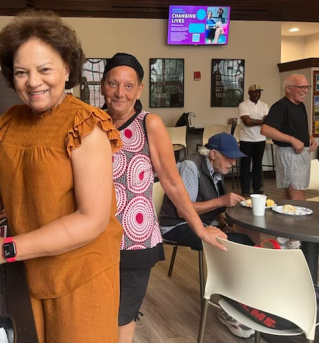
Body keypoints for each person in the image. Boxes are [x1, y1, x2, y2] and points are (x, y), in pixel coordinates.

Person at [0, 10, 124, 343]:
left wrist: (4, 249)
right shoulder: (13, 121)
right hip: (28, 267)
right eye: (22, 72)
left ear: (67, 68)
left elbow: (91, 219)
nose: (33, 82)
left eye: (45, 69)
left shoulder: (85, 124)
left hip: (80, 276)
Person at [101, 53, 227, 343]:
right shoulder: (91, 123)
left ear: (140, 89)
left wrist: (199, 228)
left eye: (129, 85)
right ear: (103, 85)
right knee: (97, 311)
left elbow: (172, 182)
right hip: (94, 237)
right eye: (113, 83)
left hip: (134, 238)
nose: (120, 93)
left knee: (123, 315)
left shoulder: (150, 124)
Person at [159, 132, 257, 339]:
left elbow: (209, 203)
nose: (233, 162)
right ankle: (230, 310)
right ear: (213, 154)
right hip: (175, 225)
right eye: (229, 157)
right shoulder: (190, 166)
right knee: (237, 245)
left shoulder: (215, 168)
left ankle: (246, 300)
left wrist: (222, 223)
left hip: (203, 222)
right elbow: (182, 210)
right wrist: (222, 201)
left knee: (246, 238)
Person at [261, 74, 318, 200]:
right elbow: (265, 129)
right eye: (301, 87)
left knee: (291, 194)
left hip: (301, 154)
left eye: (307, 87)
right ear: (288, 89)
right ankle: (300, 219)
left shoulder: (300, 105)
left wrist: (310, 137)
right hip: (290, 155)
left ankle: (287, 219)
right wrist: (292, 139)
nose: (306, 91)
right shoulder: (280, 106)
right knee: (297, 194)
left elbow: (297, 127)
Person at [238, 84, 269, 196]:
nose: (257, 94)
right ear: (249, 93)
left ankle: (257, 188)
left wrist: (254, 121)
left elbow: (267, 121)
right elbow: (247, 122)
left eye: (259, 92)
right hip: (246, 139)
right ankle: (245, 190)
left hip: (260, 138)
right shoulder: (243, 105)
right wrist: (261, 121)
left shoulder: (264, 105)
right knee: (245, 164)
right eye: (255, 92)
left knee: (258, 164)